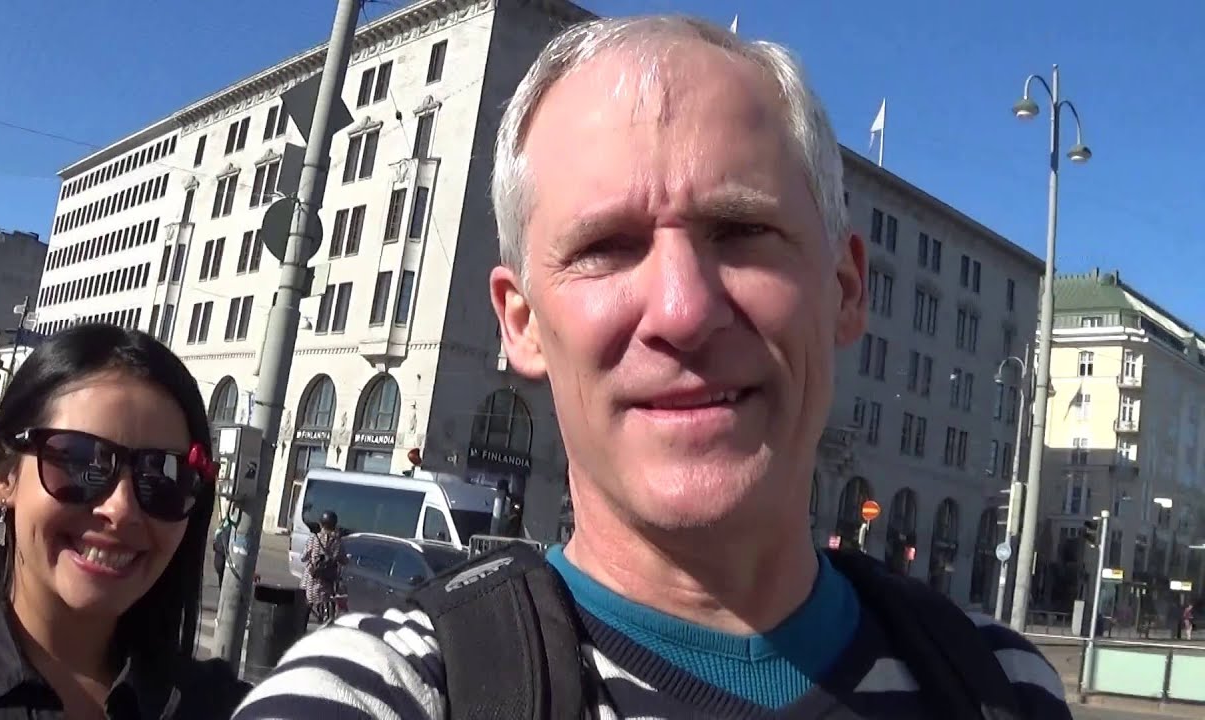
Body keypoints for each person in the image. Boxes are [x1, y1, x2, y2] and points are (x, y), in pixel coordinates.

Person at [233, 16, 1070, 719]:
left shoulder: (1004, 688)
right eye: (605, 248)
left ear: (845, 290)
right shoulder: (376, 694)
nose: (682, 309)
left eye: (741, 232)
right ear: (520, 323)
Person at [0, 324, 252, 718]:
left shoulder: (224, 708)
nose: (121, 509)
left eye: (162, 476)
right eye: (80, 462)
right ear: (3, 475)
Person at [301, 510, 342, 624]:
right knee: (324, 606)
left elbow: (303, 557)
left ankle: (301, 630)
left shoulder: (313, 538)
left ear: (321, 524)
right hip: (326, 581)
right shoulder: (337, 542)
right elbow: (343, 559)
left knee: (305, 608)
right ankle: (322, 626)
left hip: (310, 579)